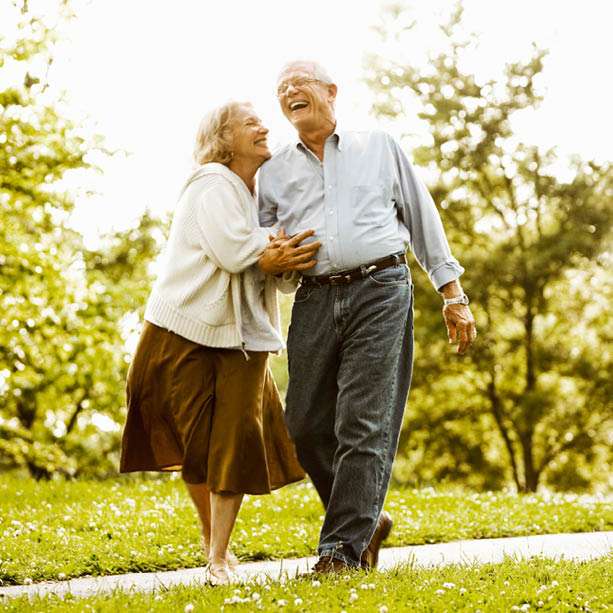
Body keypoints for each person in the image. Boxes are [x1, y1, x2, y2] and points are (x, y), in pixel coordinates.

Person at [258, 60, 477, 573]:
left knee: (363, 421)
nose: (289, 92)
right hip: (313, 297)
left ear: (331, 92)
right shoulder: (272, 172)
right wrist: (271, 258)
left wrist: (453, 294)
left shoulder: (379, 146)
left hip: (380, 288)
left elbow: (422, 217)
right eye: (281, 89)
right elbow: (258, 239)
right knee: (304, 427)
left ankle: (340, 551)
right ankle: (367, 519)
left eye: (299, 83)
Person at [119, 101, 321, 585]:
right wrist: (277, 247)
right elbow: (235, 252)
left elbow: (277, 273)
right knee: (198, 446)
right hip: (181, 329)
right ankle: (217, 549)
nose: (264, 127)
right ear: (224, 140)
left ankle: (217, 558)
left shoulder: (258, 196)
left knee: (232, 441)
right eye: (251, 123)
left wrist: (281, 256)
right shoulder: (211, 183)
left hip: (244, 339)